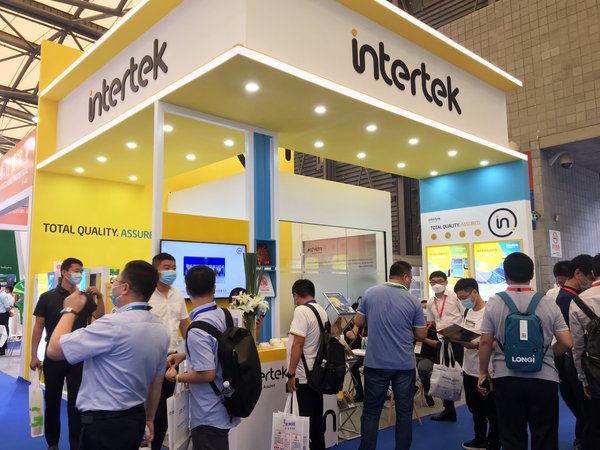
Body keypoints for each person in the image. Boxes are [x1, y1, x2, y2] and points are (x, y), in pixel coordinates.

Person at [46, 260, 168, 450]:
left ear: (125, 288)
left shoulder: (112, 325)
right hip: (136, 418)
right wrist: (150, 418)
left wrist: (70, 310)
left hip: (104, 425)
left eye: (116, 281)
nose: (114, 286)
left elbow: (54, 350)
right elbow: (156, 381)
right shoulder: (160, 329)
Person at [478, 252, 573, 450]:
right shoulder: (548, 302)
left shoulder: (494, 302)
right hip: (544, 378)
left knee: (511, 436)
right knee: (545, 435)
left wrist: (483, 372)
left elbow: (485, 341)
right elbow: (566, 342)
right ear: (531, 274)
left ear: (505, 274)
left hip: (506, 378)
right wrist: (548, 353)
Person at [31, 257, 105, 450]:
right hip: (53, 355)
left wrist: (100, 297)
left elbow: (99, 316)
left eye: (81, 271)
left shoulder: (85, 298)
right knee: (52, 401)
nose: (79, 274)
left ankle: (76, 444)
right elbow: (38, 327)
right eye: (75, 270)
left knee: (77, 402)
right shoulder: (47, 297)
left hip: (79, 356)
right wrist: (33, 355)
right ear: (63, 272)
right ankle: (53, 443)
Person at [165, 266, 241, 450]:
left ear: (187, 290)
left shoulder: (197, 328)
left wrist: (176, 377)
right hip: (226, 403)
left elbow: (207, 374)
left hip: (208, 412)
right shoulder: (226, 315)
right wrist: (185, 355)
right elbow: (221, 349)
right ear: (214, 288)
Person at [355, 261, 426, 450]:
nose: (410, 281)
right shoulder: (413, 300)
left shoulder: (370, 293)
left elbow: (358, 321)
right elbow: (421, 335)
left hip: (376, 364)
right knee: (404, 413)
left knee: (371, 412)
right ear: (405, 277)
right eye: (411, 278)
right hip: (404, 365)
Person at [148, 252, 191, 450]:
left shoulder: (177, 294)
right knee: (148, 408)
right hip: (149, 357)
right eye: (166, 267)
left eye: (174, 267)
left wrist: (193, 347)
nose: (171, 271)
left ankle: (156, 445)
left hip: (172, 358)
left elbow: (185, 325)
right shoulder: (146, 294)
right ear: (155, 270)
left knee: (166, 409)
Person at [454, 278, 500, 450]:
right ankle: (479, 438)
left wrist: (477, 345)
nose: (462, 301)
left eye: (464, 297)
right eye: (459, 299)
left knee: (491, 411)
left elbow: (498, 342)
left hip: (488, 369)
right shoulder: (468, 312)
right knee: (475, 408)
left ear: (474, 292)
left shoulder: (490, 312)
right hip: (469, 368)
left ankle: (493, 443)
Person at [555, 254, 594, 449]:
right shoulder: (569, 299)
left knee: (584, 408)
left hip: (571, 360)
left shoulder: (565, 296)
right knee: (585, 407)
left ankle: (583, 439)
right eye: (589, 277)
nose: (590, 282)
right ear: (578, 273)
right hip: (575, 359)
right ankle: (583, 441)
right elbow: (574, 341)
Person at [285, 279, 328, 450]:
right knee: (316, 423)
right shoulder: (321, 310)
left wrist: (290, 373)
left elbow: (298, 343)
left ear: (296, 295)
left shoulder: (301, 311)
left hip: (303, 377)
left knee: (303, 424)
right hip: (317, 375)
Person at [569, 253, 600, 450]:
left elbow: (578, 347)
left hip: (595, 371)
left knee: (595, 422)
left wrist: (583, 379)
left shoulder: (579, 302)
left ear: (593, 273)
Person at [426, 270, 465, 421]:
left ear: (446, 282)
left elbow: (464, 314)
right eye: (433, 282)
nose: (437, 284)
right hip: (442, 343)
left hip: (457, 342)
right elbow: (432, 322)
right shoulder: (430, 302)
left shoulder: (455, 297)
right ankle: (448, 410)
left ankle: (471, 406)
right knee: (444, 375)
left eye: (440, 281)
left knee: (459, 373)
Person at [415, 299, 440, 407]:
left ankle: (427, 392)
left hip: (429, 357)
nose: (423, 311)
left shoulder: (436, 327)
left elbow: (438, 344)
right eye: (421, 309)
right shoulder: (416, 326)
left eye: (425, 308)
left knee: (423, 368)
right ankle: (412, 388)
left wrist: (423, 339)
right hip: (414, 355)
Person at [344, 300, 367, 402]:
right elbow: (352, 336)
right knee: (353, 364)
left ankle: (377, 392)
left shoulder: (366, 324)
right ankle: (359, 392)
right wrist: (357, 324)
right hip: (353, 355)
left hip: (366, 354)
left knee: (374, 365)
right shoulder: (347, 325)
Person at [0, 285, 13, 355]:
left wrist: (10, 312)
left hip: (3, 315)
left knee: (3, 331)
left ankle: (2, 349)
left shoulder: (3, 295)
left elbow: (7, 306)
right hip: (2, 314)